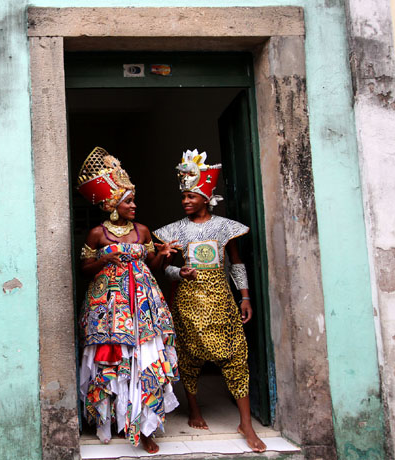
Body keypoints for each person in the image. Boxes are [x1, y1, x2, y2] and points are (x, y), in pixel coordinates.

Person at [153, 149, 267, 452]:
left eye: (191, 196)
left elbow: (236, 262)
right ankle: (194, 408)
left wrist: (244, 296)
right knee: (189, 356)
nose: (186, 201)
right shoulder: (175, 230)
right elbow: (164, 267)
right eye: (184, 197)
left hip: (221, 298)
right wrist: (181, 271)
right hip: (188, 301)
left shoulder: (225, 227)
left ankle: (246, 423)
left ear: (206, 197)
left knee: (234, 354)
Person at [76, 147, 179, 454]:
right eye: (128, 201)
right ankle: (111, 420)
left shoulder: (142, 230)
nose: (134, 205)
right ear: (112, 204)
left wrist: (160, 255)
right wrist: (109, 257)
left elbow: (154, 267)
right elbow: (84, 269)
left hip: (142, 303)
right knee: (112, 358)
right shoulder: (97, 234)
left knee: (144, 355)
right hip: (107, 306)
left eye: (133, 200)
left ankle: (144, 426)